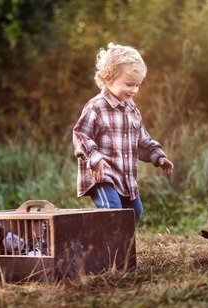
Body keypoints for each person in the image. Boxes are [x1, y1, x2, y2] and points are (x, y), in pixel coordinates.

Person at [72, 42, 174, 221]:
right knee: (113, 211)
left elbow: (142, 140)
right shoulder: (96, 107)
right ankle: (107, 247)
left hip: (125, 177)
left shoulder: (132, 110)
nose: (134, 90)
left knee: (135, 211)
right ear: (109, 78)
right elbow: (81, 134)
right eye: (129, 84)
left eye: (138, 85)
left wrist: (158, 157)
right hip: (102, 175)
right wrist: (94, 158)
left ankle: (119, 244)